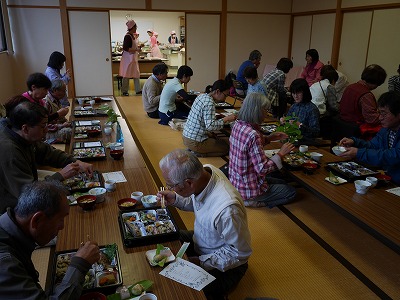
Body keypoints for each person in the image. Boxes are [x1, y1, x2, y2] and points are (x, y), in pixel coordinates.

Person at [157, 149, 252, 300]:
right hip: (201, 240)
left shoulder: (227, 210)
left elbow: (239, 253)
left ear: (188, 182)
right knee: (163, 235)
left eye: (171, 185)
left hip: (228, 267)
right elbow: (195, 200)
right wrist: (175, 198)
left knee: (182, 291)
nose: (169, 188)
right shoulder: (204, 173)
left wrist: (200, 262)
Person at [0, 180, 100, 299]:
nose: (62, 226)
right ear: (37, 220)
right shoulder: (6, 264)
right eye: (60, 219)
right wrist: (80, 264)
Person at [0, 101, 93, 213]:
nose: (47, 130)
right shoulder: (9, 151)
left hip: (28, 191)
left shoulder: (23, 135)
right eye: (43, 126)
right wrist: (61, 175)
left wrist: (77, 162)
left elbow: (48, 153)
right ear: (25, 128)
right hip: (13, 208)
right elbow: (29, 195)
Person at [229, 93, 296, 208]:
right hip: (249, 190)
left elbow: (248, 148)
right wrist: (281, 154)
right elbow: (262, 169)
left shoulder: (238, 125)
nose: (267, 113)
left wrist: (269, 138)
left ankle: (249, 198)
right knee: (291, 192)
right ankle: (256, 202)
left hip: (237, 183)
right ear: (257, 110)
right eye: (265, 110)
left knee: (282, 182)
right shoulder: (253, 135)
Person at [339, 91, 400, 184]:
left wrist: (359, 153)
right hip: (389, 179)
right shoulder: (386, 130)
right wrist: (354, 142)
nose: (380, 118)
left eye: (384, 114)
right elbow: (373, 146)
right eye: (379, 113)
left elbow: (393, 155)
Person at [182, 79, 237, 157]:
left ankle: (197, 150)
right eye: (225, 95)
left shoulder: (202, 96)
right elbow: (210, 126)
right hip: (195, 141)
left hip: (186, 136)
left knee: (219, 140)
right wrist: (227, 118)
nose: (225, 98)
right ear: (218, 91)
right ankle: (199, 153)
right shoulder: (209, 103)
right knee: (227, 148)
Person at [339, 64, 387, 139]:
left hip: (342, 122)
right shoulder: (366, 95)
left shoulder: (350, 87)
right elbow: (372, 119)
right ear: (376, 82)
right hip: (356, 126)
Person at [310, 69, 339, 138]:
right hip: (320, 114)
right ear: (333, 80)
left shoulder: (314, 84)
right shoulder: (329, 86)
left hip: (310, 110)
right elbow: (334, 106)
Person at [119, 19, 142, 96]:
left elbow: (133, 46)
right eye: (135, 27)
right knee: (126, 75)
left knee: (136, 74)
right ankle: (124, 91)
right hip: (128, 59)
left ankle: (138, 90)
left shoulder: (133, 36)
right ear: (132, 27)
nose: (136, 29)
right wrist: (136, 49)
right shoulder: (127, 36)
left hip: (133, 58)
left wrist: (138, 47)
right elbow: (126, 48)